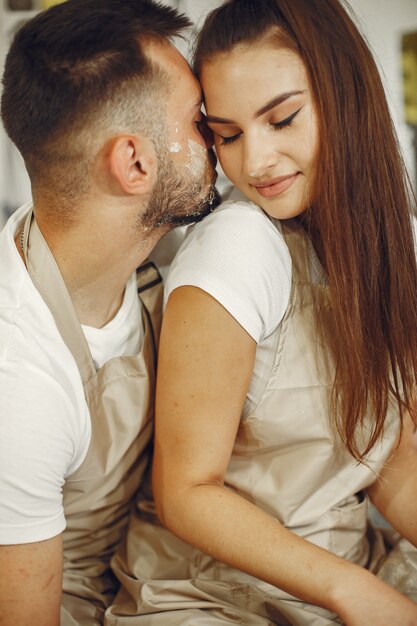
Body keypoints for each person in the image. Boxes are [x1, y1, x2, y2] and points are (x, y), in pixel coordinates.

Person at [105, 1, 417, 625]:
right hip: (218, 595)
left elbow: (389, 456)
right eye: (228, 134)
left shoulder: (393, 241)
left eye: (283, 119)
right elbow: (186, 494)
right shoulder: (239, 247)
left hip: (342, 564)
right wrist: (353, 592)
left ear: (345, 95)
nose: (256, 163)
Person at [0, 0, 219, 624]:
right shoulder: (18, 385)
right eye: (199, 123)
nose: (218, 143)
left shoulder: (161, 248)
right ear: (135, 164)